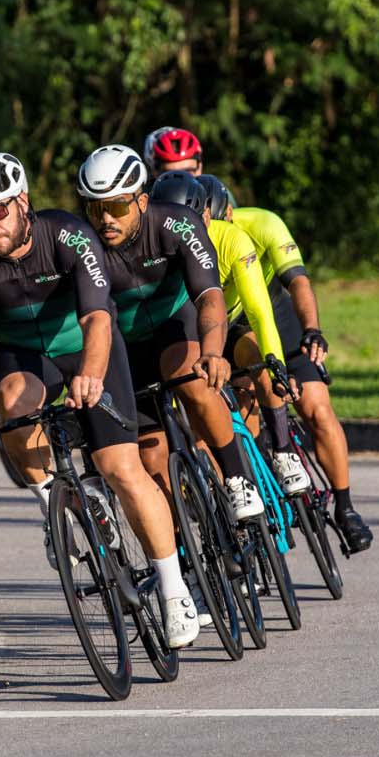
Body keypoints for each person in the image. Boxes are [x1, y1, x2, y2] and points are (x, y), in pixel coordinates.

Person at [0, 152, 202, 649]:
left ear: (22, 203)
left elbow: (98, 319)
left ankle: (173, 589)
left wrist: (91, 373)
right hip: (26, 357)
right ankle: (54, 505)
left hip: (89, 348)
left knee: (120, 467)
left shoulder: (68, 236)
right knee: (8, 400)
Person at [75, 145, 264, 524]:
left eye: (116, 207)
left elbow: (209, 296)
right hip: (124, 346)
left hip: (173, 324)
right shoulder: (83, 244)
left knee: (191, 380)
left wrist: (213, 352)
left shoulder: (176, 223)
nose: (105, 219)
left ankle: (237, 477)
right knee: (150, 456)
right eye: (95, 208)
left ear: (142, 201)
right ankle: (181, 552)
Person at [212, 174, 375, 554]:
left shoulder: (263, 223)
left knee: (317, 409)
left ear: (231, 213)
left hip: (277, 316)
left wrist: (312, 330)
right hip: (231, 325)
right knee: (244, 415)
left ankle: (346, 508)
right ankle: (257, 500)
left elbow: (298, 281)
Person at [148, 172, 311, 498]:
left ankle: (282, 450)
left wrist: (275, 363)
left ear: (206, 216)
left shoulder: (233, 240)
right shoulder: (154, 245)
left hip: (233, 322)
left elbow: (259, 310)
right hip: (188, 331)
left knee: (258, 362)